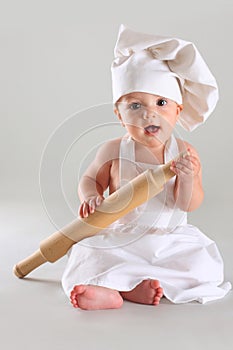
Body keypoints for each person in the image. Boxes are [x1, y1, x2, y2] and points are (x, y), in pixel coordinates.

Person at [62, 25, 231, 310]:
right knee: (85, 251)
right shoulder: (113, 150)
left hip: (170, 240)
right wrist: (90, 196)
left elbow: (188, 204)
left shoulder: (185, 153)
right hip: (124, 237)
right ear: (119, 114)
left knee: (201, 264)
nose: (149, 113)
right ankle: (112, 292)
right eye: (136, 106)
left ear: (178, 110)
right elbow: (90, 178)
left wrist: (188, 180)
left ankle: (135, 286)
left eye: (161, 103)